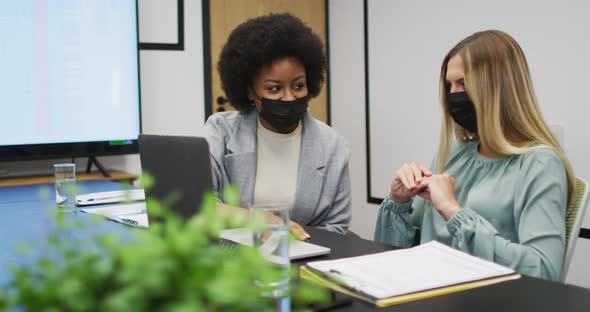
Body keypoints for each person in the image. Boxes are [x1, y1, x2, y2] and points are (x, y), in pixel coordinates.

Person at [374, 30, 575, 281]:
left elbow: (544, 271)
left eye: (463, 84)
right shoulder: (454, 153)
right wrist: (400, 201)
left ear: (499, 89)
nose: (452, 96)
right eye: (449, 86)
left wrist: (453, 211)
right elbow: (396, 252)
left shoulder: (540, 165)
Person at [204, 13, 352, 238]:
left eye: (298, 86)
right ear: (249, 92)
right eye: (274, 88)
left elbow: (337, 228)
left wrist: (293, 244)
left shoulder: (333, 145)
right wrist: (259, 220)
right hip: (235, 260)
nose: (290, 97)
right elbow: (201, 204)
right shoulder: (221, 131)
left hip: (305, 260)